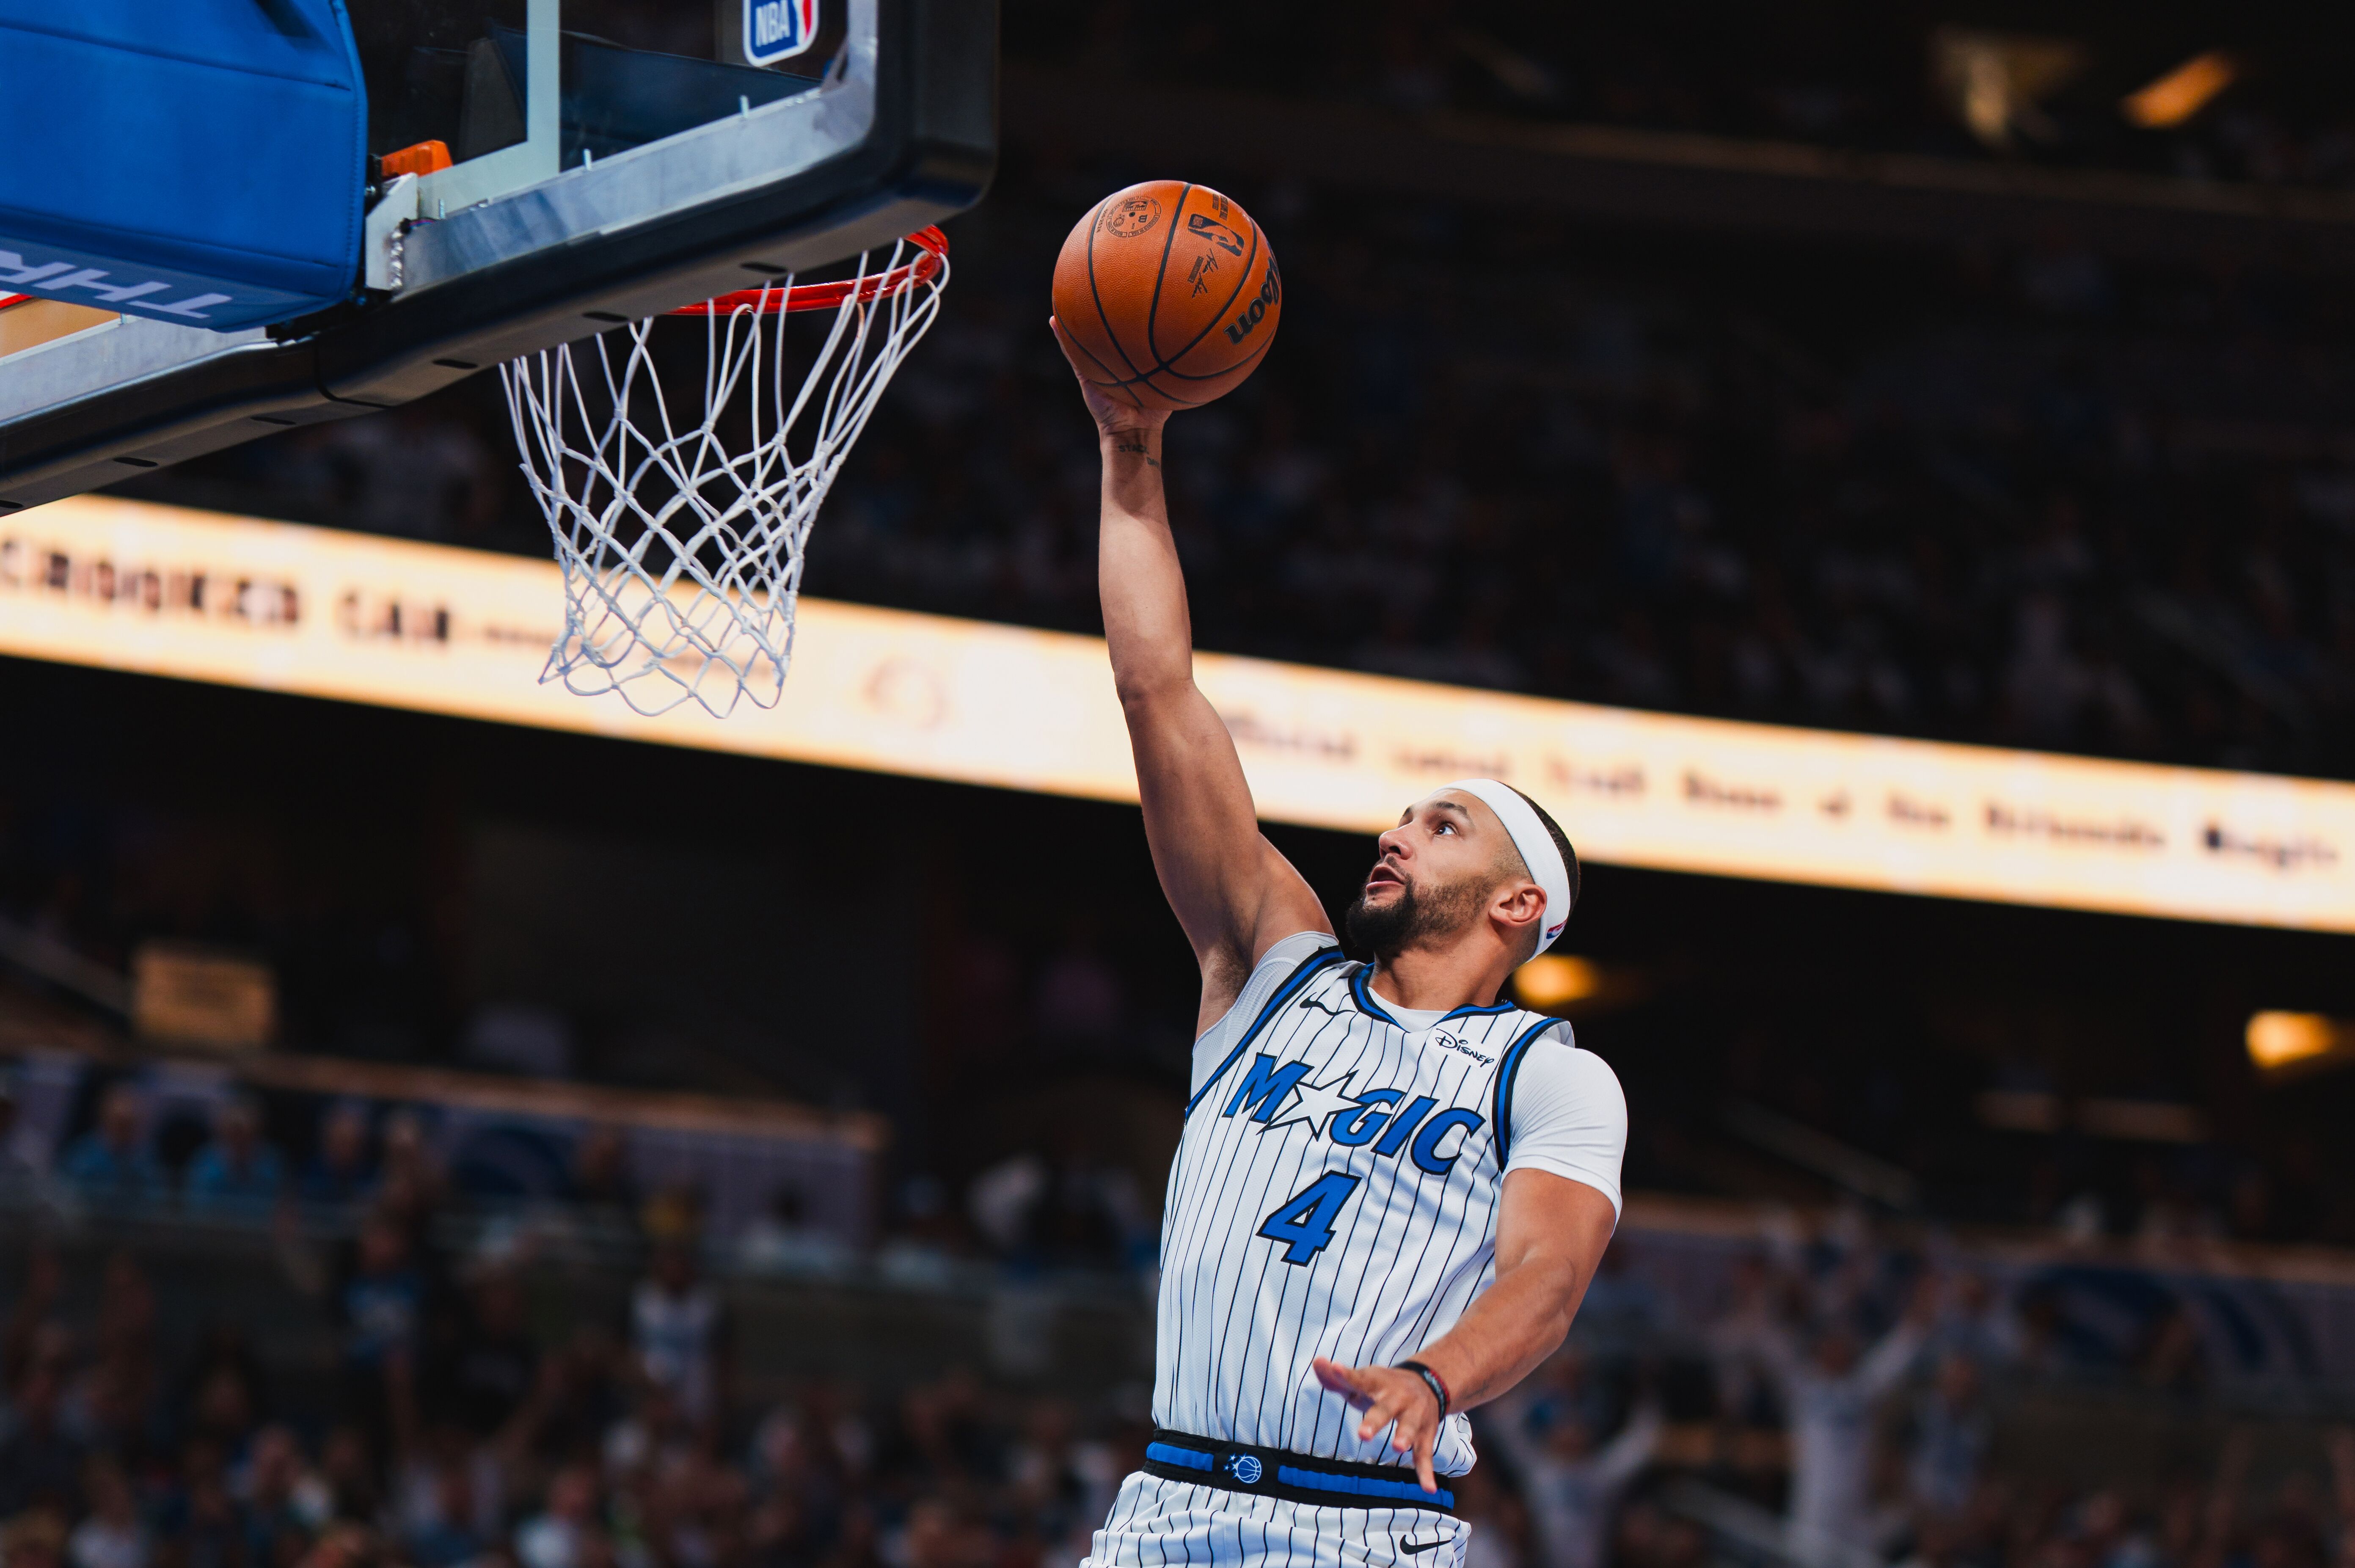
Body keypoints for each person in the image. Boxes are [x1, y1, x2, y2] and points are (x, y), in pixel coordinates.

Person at [1049, 320, 1627, 1568]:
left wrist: (1437, 1373)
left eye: (1443, 823)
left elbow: (1546, 1270)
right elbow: (1159, 690)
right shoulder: (1272, 963)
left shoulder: (1546, 1072)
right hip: (1164, 1507)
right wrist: (1129, 449)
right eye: (1402, 813)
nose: (1396, 831)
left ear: (1517, 905)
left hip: (1364, 1526)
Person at [57, 1084, 163, 1206]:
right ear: (105, 1119)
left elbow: (155, 1199)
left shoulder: (145, 1159)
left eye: (131, 1125)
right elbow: (66, 1197)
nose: (125, 1131)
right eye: (120, 1123)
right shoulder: (81, 1157)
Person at [184, 1096, 286, 1217]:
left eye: (246, 1135)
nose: (239, 1140)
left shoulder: (272, 1163)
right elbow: (197, 1210)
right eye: (234, 1133)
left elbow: (283, 1209)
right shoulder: (205, 1163)